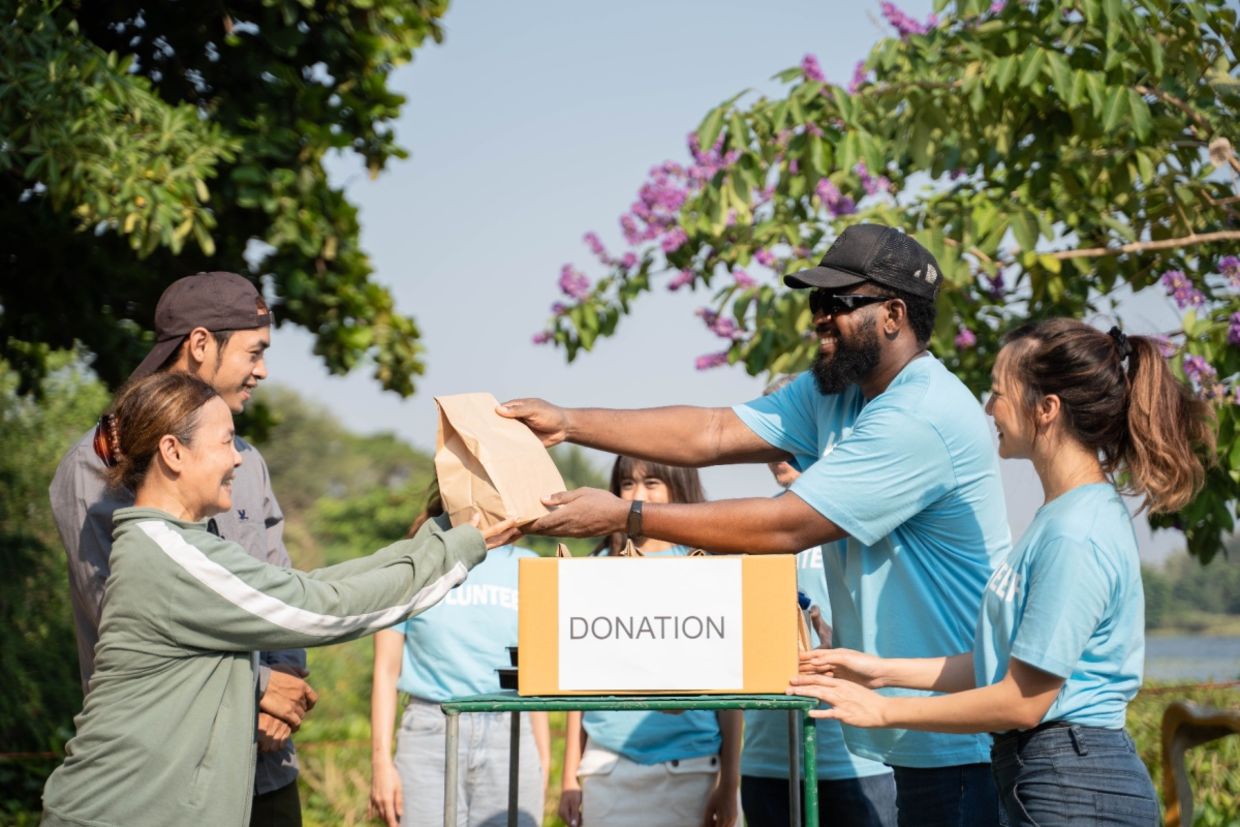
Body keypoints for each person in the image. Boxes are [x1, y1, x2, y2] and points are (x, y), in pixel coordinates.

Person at [502, 223, 1012, 826]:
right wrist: (568, 422)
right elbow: (713, 432)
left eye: (837, 304)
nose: (819, 318)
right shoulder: (840, 394)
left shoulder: (918, 413)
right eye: (815, 302)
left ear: (894, 314)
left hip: (964, 737)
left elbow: (786, 526)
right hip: (914, 730)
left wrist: (626, 514)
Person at [40, 372, 518, 827]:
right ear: (173, 452)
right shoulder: (171, 557)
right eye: (226, 441)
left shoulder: (178, 547)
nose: (238, 459)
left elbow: (315, 585)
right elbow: (324, 609)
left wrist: (446, 534)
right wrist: (460, 549)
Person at [790, 319, 1213, 826]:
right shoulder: (1060, 516)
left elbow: (1023, 701)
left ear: (1047, 409)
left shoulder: (1076, 532)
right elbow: (1008, 666)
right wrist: (880, 671)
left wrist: (883, 710)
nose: (989, 408)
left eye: (998, 392)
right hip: (1050, 775)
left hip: (1076, 787)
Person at [49, 271, 313, 824]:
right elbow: (124, 619)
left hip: (264, 763)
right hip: (162, 772)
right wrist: (263, 687)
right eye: (254, 352)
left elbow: (280, 584)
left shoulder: (247, 459)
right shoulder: (96, 467)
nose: (262, 370)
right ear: (199, 345)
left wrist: (287, 683)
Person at [741, 381, 896, 827]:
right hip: (768, 761)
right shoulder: (748, 529)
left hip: (858, 759)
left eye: (794, 431)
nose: (780, 448)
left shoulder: (872, 518)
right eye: (770, 433)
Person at [558, 456, 741, 827]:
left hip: (692, 769)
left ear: (680, 488)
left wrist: (729, 784)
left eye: (652, 483)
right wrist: (568, 778)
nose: (636, 495)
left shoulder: (707, 567)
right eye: (627, 484)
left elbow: (731, 693)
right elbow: (576, 682)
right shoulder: (593, 572)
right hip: (606, 768)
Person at [369, 486, 550, 827]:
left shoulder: (531, 567)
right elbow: (385, 672)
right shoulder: (414, 562)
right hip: (429, 733)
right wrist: (381, 762)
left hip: (511, 730)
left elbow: (536, 675)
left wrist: (543, 757)